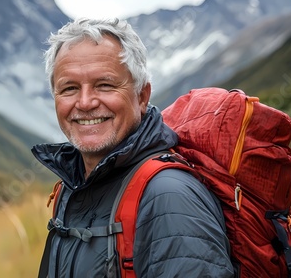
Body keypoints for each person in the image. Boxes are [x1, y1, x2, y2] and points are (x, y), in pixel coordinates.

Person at [31, 18, 235, 277]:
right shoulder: (71, 188)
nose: (84, 103)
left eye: (104, 85)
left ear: (142, 96)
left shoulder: (168, 196)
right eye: (69, 88)